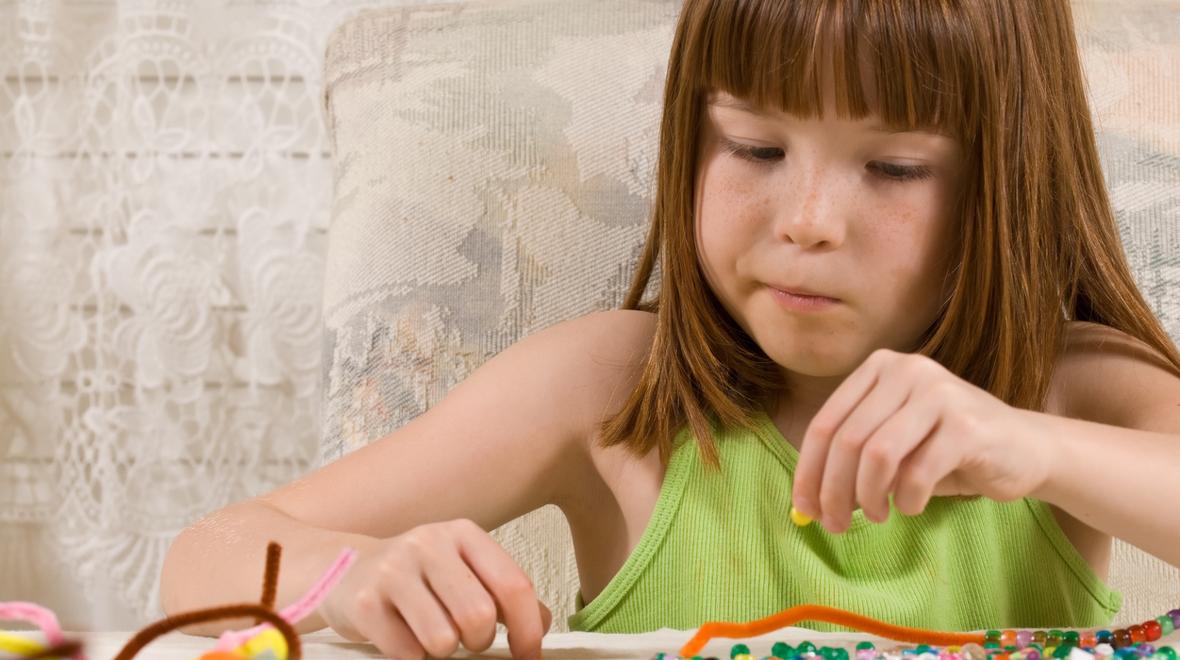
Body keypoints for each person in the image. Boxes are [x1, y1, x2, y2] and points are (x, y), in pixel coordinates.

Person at [158, 0, 1180, 658]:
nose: (807, 221)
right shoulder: (610, 390)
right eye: (754, 145)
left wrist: (1032, 449)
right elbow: (205, 557)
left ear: (1006, 179)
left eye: (893, 166)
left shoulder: (1069, 389)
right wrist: (355, 575)